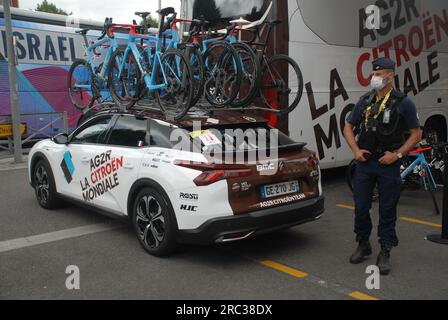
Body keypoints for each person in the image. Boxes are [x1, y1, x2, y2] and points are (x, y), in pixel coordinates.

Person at [343, 57, 422, 275]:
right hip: (365, 164)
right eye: (374, 74)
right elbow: (348, 126)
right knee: (360, 207)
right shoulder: (366, 101)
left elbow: (416, 134)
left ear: (391, 76)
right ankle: (363, 244)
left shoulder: (403, 102)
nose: (375, 77)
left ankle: (385, 250)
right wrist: (356, 151)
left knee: (387, 210)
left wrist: (397, 155)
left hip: (388, 164)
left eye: (379, 74)